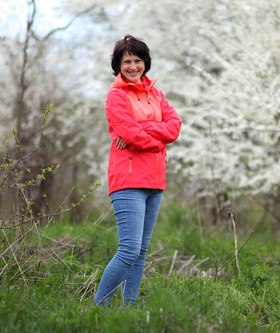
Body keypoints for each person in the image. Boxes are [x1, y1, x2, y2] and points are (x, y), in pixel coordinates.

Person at [95, 35, 181, 307]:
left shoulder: (155, 94)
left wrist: (147, 130)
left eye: (138, 60)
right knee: (129, 249)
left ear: (145, 62)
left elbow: (174, 126)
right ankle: (99, 308)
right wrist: (157, 137)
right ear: (118, 65)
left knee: (141, 251)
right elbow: (129, 132)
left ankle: (128, 307)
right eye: (127, 61)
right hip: (128, 181)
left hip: (155, 181)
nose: (133, 66)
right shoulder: (116, 96)